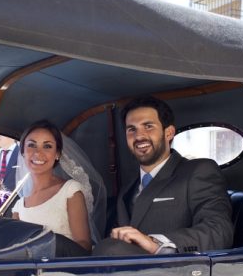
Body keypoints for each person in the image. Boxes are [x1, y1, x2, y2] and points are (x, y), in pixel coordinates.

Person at [94, 96, 234, 256]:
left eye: (148, 126)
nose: (139, 136)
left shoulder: (198, 171)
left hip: (179, 273)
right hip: (128, 274)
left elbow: (219, 231)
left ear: (169, 133)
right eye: (131, 129)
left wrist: (155, 243)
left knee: (110, 249)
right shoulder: (127, 191)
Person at [12, 120, 91, 256]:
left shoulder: (70, 191)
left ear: (57, 154)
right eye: (32, 145)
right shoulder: (19, 207)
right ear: (23, 152)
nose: (38, 153)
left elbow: (84, 246)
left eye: (47, 146)